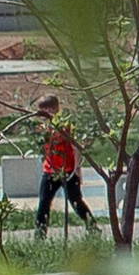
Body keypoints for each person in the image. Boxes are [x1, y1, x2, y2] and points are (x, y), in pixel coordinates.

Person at [33, 96, 93, 233]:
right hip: (50, 171)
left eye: (47, 111)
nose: (44, 116)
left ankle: (92, 226)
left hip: (68, 170)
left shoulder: (65, 128)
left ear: (55, 109)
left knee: (76, 201)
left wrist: (77, 169)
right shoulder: (42, 129)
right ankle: (40, 233)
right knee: (44, 202)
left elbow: (76, 147)